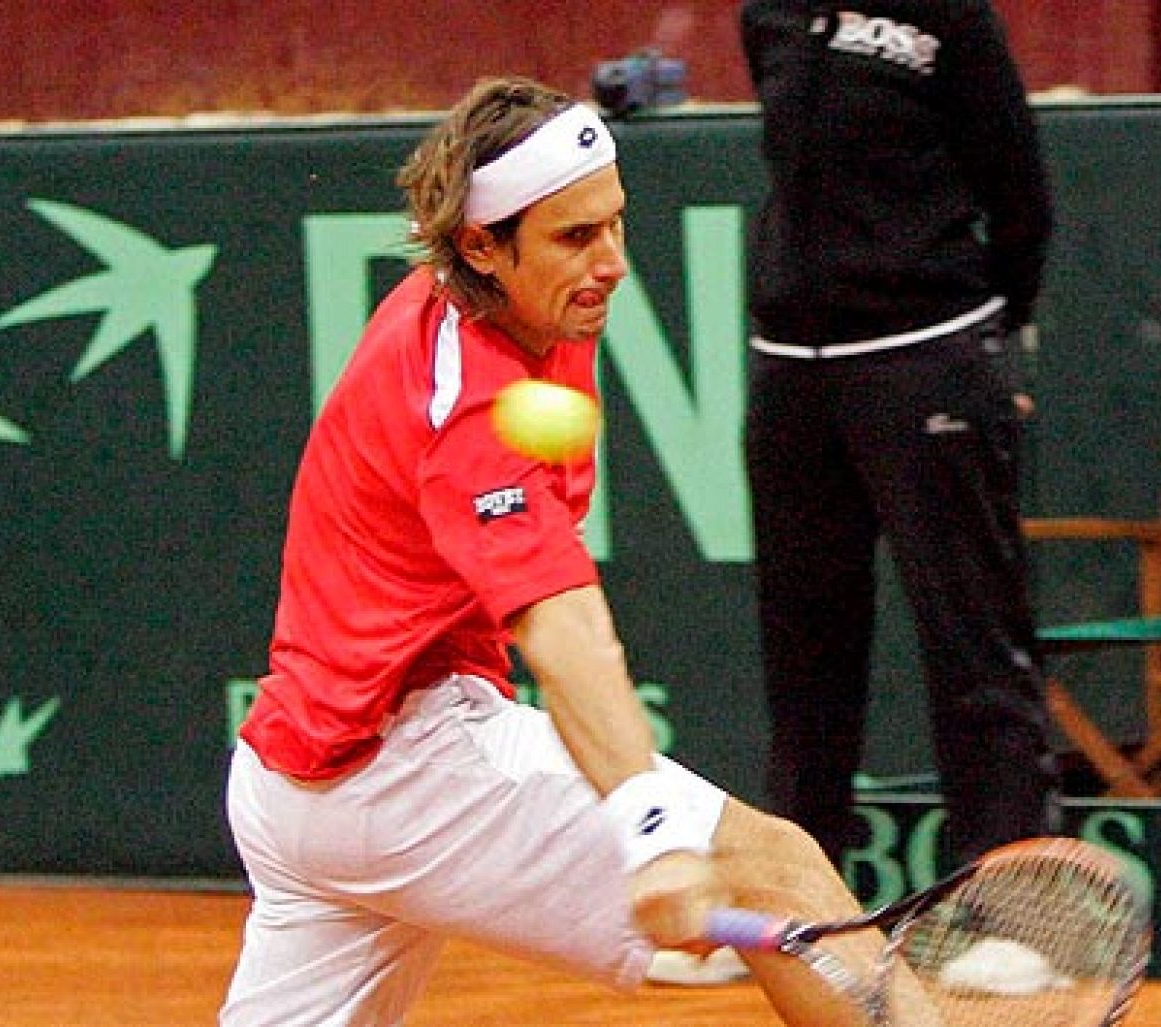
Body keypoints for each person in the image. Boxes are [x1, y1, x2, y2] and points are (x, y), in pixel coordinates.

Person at [221, 76, 901, 1026]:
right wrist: (649, 826)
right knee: (775, 867)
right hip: (397, 763)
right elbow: (563, 629)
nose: (612, 261)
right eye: (576, 236)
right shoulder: (475, 408)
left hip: (295, 783)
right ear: (481, 245)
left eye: (615, 222)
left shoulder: (523, 304)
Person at [739, 1, 1062, 871]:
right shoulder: (768, 13)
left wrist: (975, 335)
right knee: (804, 666)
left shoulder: (949, 14)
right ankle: (805, 906)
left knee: (972, 648)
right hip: (791, 374)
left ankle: (1007, 902)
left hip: (926, 356)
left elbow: (1022, 197)